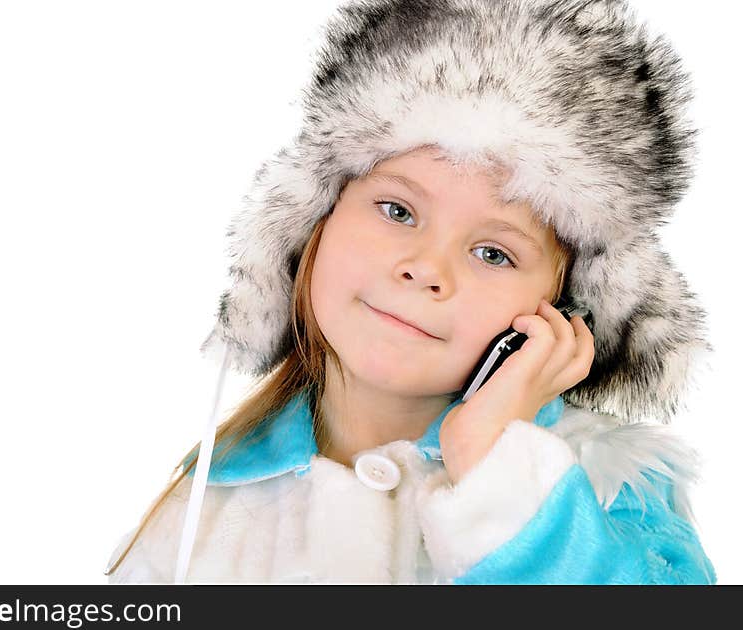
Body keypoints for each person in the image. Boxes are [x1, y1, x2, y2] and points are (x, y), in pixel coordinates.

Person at [104, 0, 716, 584]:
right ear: (311, 219)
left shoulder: (613, 493)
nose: (426, 269)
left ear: (560, 312)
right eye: (397, 210)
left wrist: (492, 465)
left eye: (493, 252)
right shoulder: (206, 503)